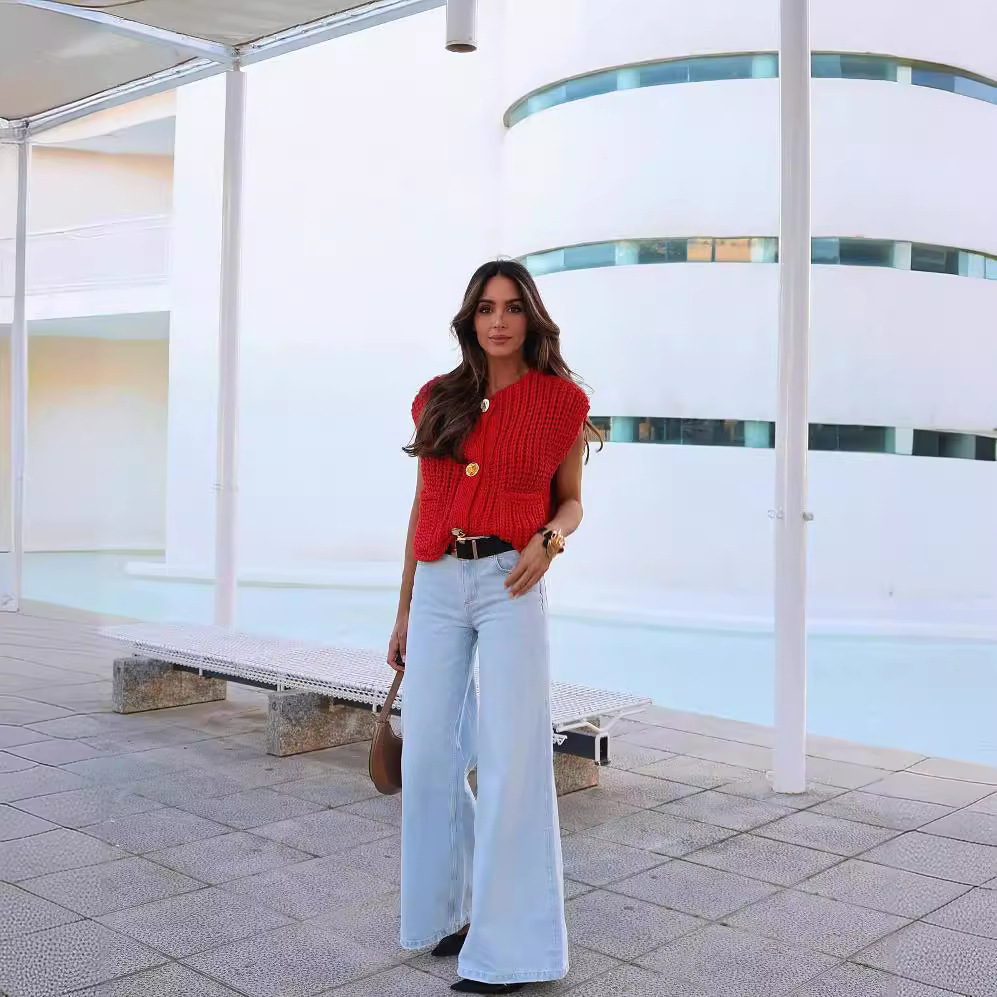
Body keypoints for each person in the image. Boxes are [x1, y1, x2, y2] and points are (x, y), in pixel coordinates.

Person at [387, 259, 598, 994]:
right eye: (485, 308)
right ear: (469, 319)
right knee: (428, 755)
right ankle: (450, 911)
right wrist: (404, 609)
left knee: (512, 759)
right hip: (439, 582)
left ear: (530, 317)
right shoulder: (436, 397)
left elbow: (571, 499)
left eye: (511, 307)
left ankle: (511, 953)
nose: (498, 320)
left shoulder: (562, 401)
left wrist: (549, 540)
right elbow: (424, 505)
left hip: (512, 578)